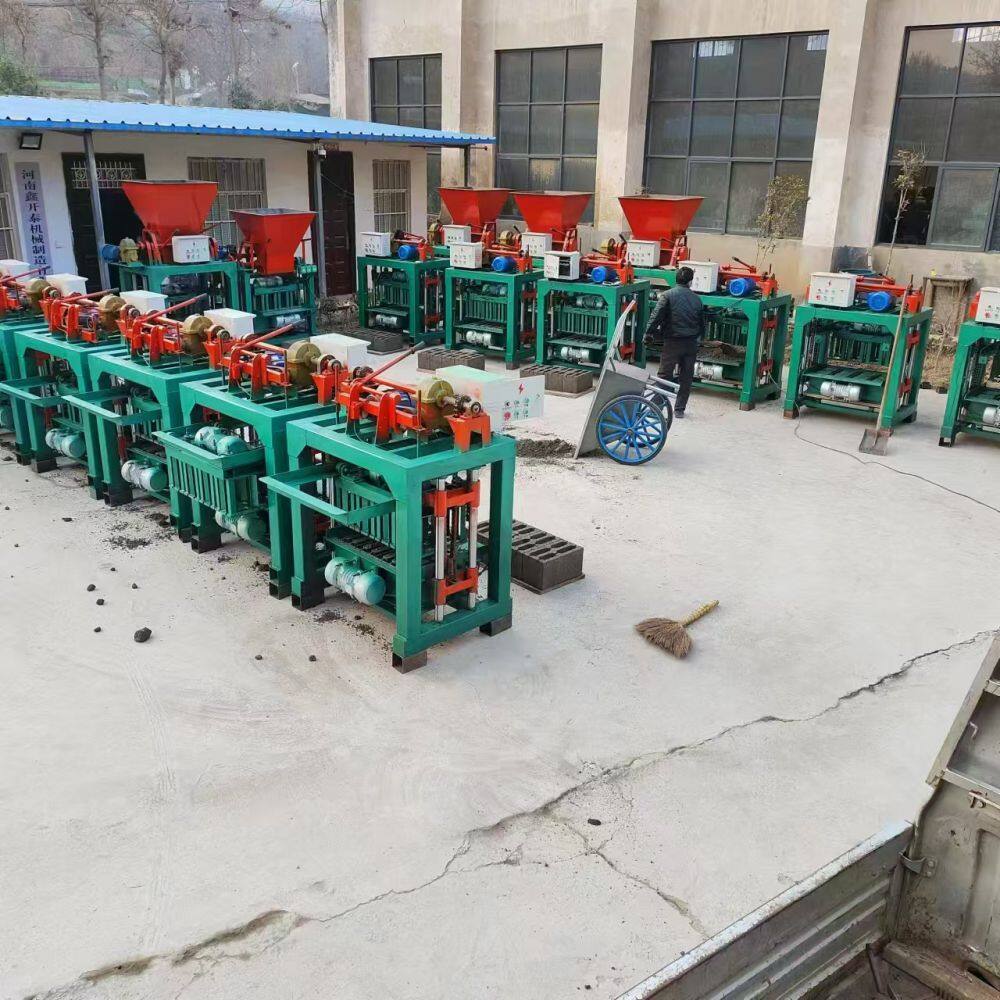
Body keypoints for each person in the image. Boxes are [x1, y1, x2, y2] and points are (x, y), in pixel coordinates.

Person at [646, 265, 705, 418]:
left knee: (664, 375)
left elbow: (656, 316)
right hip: (691, 343)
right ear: (690, 282)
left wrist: (648, 333)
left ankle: (656, 407)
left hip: (672, 342)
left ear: (676, 279)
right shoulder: (697, 299)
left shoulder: (667, 295)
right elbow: (701, 324)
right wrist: (698, 340)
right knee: (686, 377)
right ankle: (679, 409)